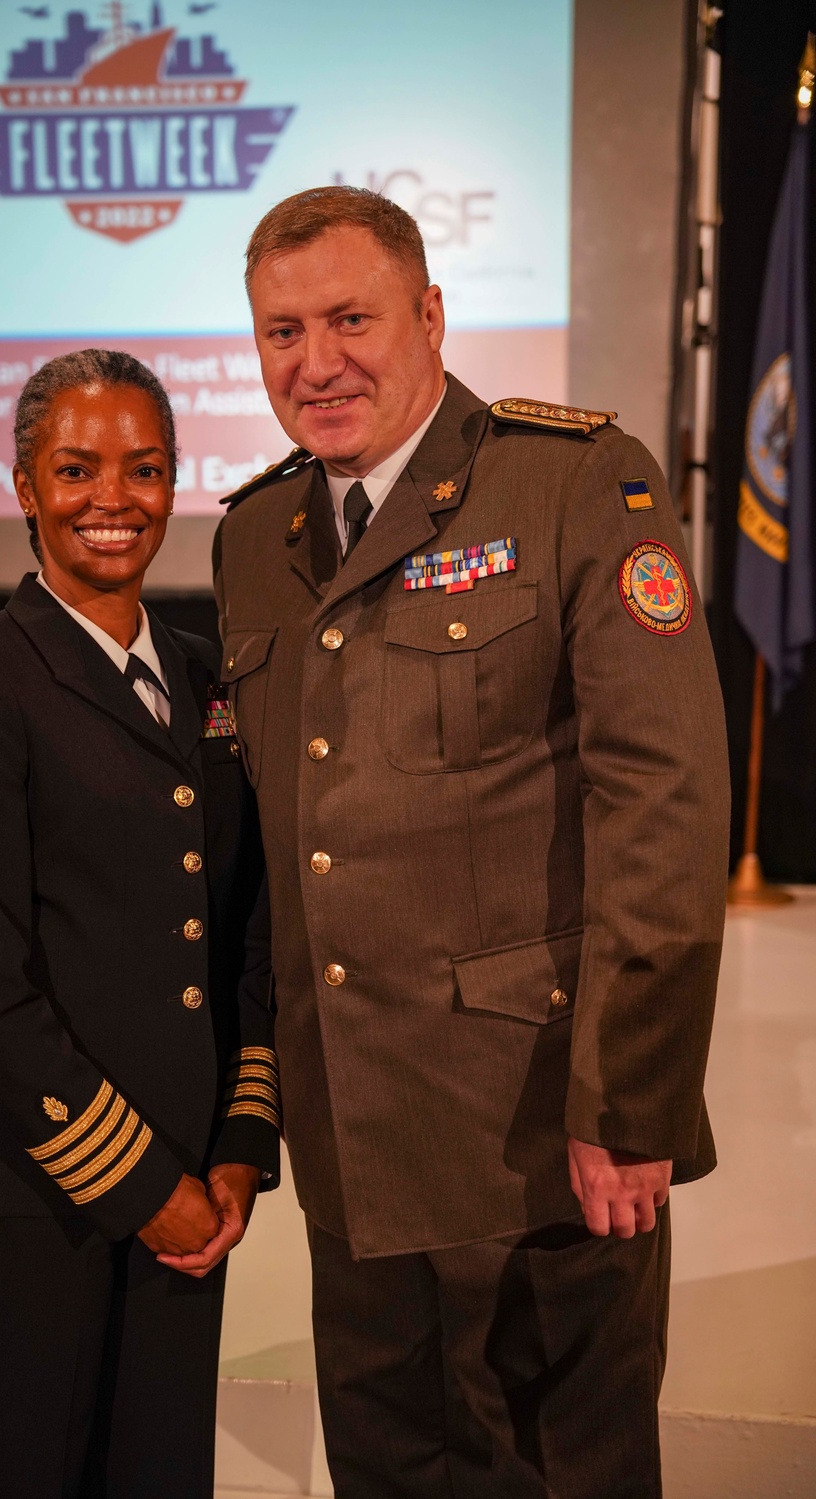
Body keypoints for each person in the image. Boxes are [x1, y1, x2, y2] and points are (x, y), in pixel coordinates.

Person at [213, 188, 729, 1498]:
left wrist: (634, 1099)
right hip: (357, 1152)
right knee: (394, 1466)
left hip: (540, 1136)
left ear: (431, 316)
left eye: (349, 319)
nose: (315, 361)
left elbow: (662, 806)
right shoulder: (251, 540)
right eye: (282, 331)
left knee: (565, 1468)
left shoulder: (571, 480)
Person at [0, 349, 280, 1499]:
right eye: (74, 468)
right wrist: (145, 1182)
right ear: (23, 485)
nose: (111, 497)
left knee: (156, 1472)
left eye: (143, 467)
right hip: (25, 1186)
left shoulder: (209, 680)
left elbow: (246, 929)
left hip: (189, 1194)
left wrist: (237, 1149)